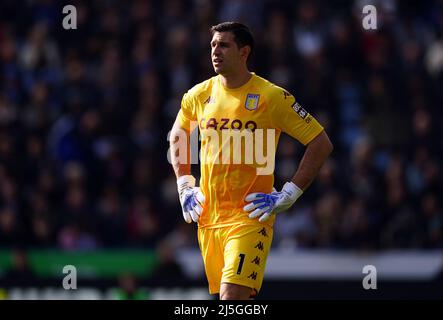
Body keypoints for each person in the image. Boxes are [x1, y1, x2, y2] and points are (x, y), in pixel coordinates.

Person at [169, 22, 333, 300]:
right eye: (212, 45)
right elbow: (179, 135)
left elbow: (320, 143)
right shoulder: (199, 95)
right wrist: (184, 183)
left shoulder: (271, 96)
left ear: (244, 52)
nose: (215, 51)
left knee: (231, 297)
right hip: (209, 219)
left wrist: (291, 192)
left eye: (223, 45)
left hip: (250, 217)